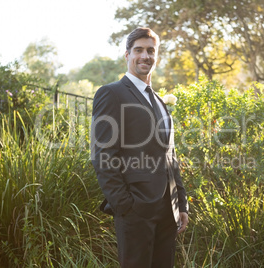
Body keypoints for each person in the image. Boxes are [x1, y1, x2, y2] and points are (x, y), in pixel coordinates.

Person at [90, 27, 189, 267]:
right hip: (136, 210)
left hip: (168, 211)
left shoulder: (160, 101)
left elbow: (171, 157)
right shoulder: (111, 93)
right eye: (139, 50)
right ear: (127, 55)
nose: (145, 56)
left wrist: (181, 203)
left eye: (151, 51)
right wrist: (125, 205)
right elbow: (102, 154)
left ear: (156, 57)